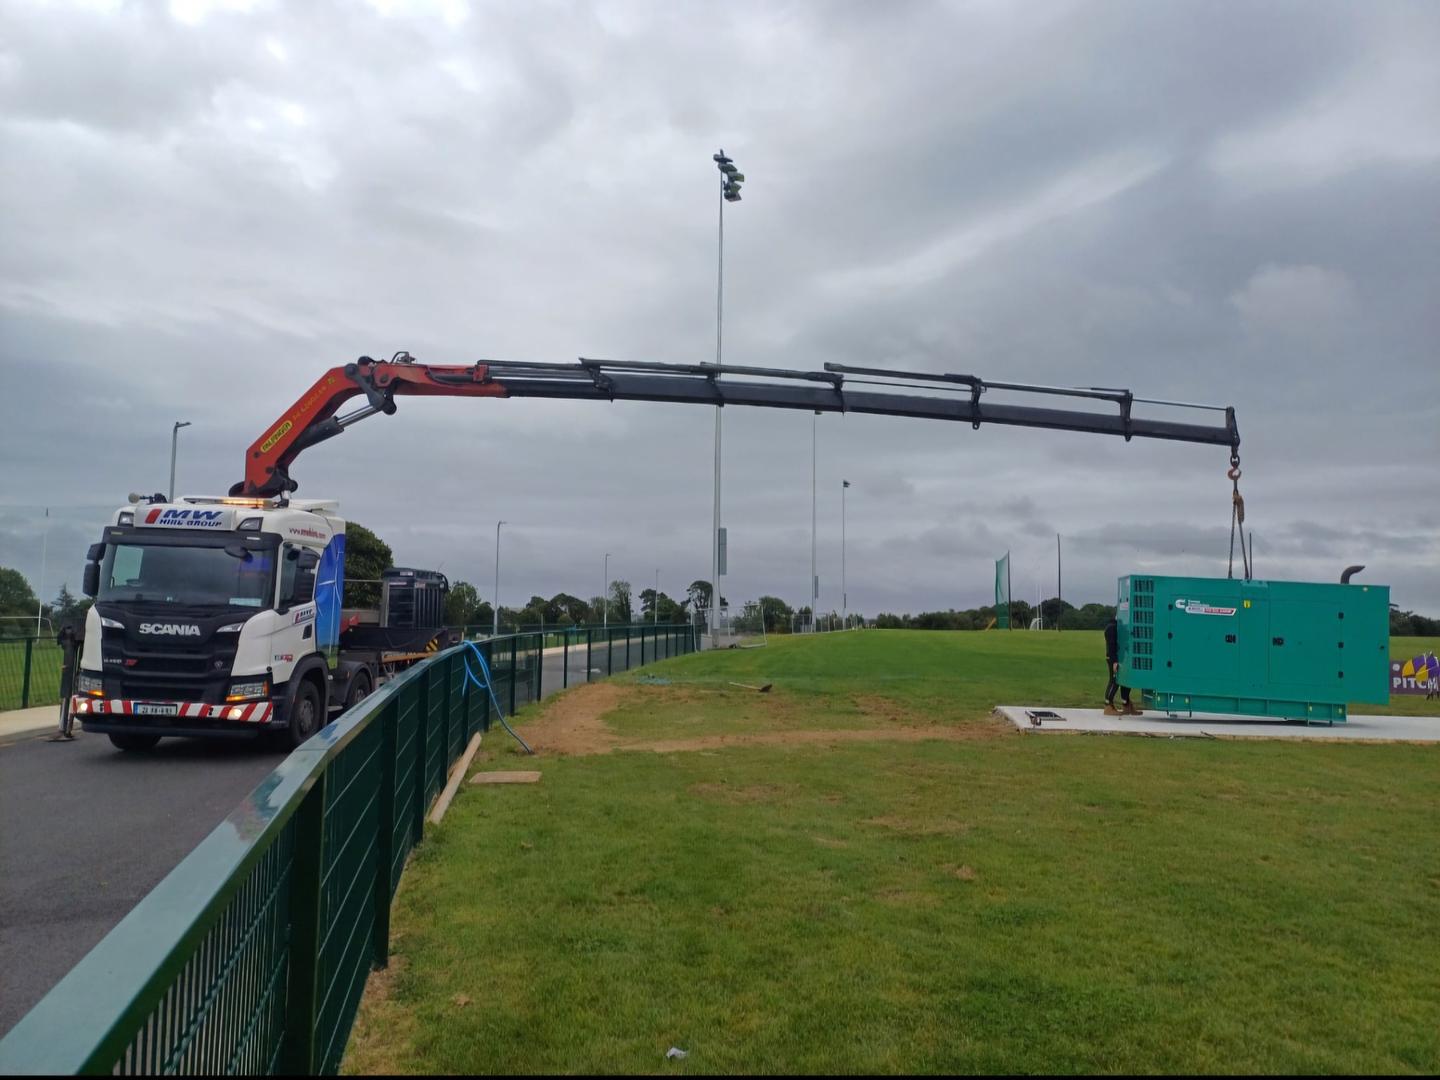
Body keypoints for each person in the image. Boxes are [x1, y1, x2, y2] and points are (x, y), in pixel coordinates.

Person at [1103, 616, 1141, 716]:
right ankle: (1108, 706)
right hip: (1113, 658)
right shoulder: (1112, 628)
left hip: (1121, 658)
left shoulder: (1118, 627)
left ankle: (1127, 704)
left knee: (1126, 681)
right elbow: (1112, 646)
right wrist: (1114, 661)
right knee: (1114, 681)